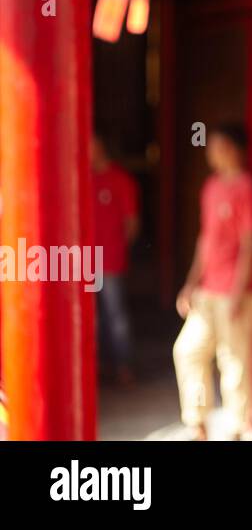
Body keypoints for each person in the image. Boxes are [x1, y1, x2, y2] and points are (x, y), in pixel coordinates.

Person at [172, 123, 252, 440]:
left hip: (236, 289)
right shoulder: (211, 187)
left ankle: (239, 427)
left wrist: (239, 292)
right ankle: (197, 423)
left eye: (214, 146)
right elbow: (206, 240)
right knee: (188, 350)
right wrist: (190, 283)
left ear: (231, 149)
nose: (209, 152)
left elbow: (251, 243)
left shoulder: (247, 188)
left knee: (234, 358)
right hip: (208, 288)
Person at [90, 134, 140, 386]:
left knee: (116, 315)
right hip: (83, 261)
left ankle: (123, 367)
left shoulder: (120, 179)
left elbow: (131, 223)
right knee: (91, 318)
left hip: (110, 259)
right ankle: (95, 369)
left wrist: (119, 248)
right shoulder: (82, 179)